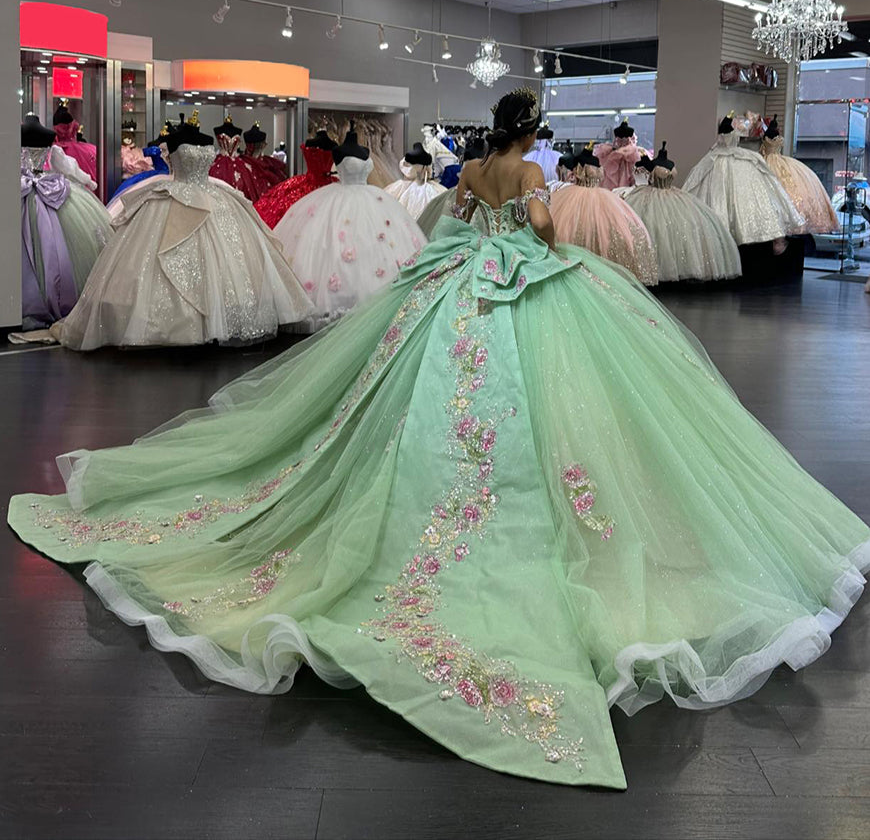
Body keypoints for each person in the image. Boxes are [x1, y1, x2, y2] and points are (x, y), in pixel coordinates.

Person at [8, 88, 868, 790]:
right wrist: (534, 227)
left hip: (457, 284)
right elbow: (539, 230)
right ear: (532, 132)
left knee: (401, 398)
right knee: (558, 403)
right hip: (524, 284)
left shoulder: (477, 168)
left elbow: (450, 223)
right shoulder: (527, 169)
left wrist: (478, 236)